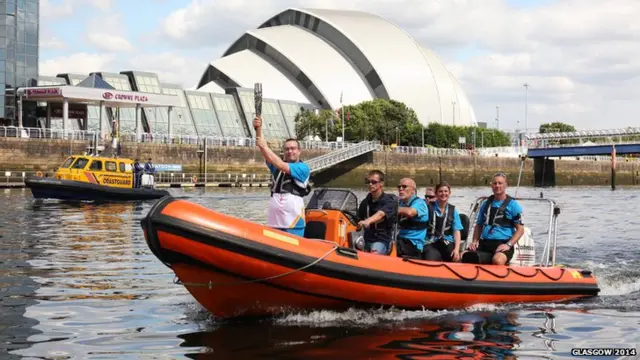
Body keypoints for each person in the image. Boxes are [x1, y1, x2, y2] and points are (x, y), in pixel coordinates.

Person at [253, 115, 311, 237]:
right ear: (283, 151)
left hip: (292, 220)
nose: (290, 151)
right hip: (275, 219)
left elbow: (282, 164)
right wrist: (258, 129)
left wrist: (264, 145)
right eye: (287, 149)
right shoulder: (276, 167)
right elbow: (267, 155)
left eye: (293, 149)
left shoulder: (303, 168)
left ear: (299, 151)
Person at [463, 173, 524, 265]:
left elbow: (520, 229)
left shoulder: (513, 205)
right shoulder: (485, 204)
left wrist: (508, 245)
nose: (497, 186)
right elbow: (479, 225)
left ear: (506, 185)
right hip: (485, 243)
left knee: (498, 260)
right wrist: (475, 241)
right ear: (491, 185)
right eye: (495, 183)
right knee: (464, 255)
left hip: (503, 243)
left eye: (500, 183)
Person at [357, 170, 397, 255]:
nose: (370, 184)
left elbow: (381, 214)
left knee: (374, 252)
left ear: (381, 183)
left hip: (382, 239)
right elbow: (357, 218)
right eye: (368, 182)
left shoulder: (389, 202)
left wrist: (368, 221)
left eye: (373, 182)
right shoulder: (365, 202)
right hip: (366, 238)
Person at [423, 182, 463, 262]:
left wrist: (456, 249)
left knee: (455, 257)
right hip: (429, 242)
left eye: (446, 191)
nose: (443, 194)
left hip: (446, 241)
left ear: (449, 193)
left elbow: (456, 231)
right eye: (440, 191)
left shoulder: (453, 210)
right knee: (431, 257)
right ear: (436, 194)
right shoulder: (427, 207)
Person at [396, 177, 429, 258]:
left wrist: (391, 209)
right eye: (399, 187)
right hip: (400, 239)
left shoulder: (420, 203)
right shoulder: (400, 203)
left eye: (404, 187)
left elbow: (410, 212)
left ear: (413, 191)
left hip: (413, 244)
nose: (400, 189)